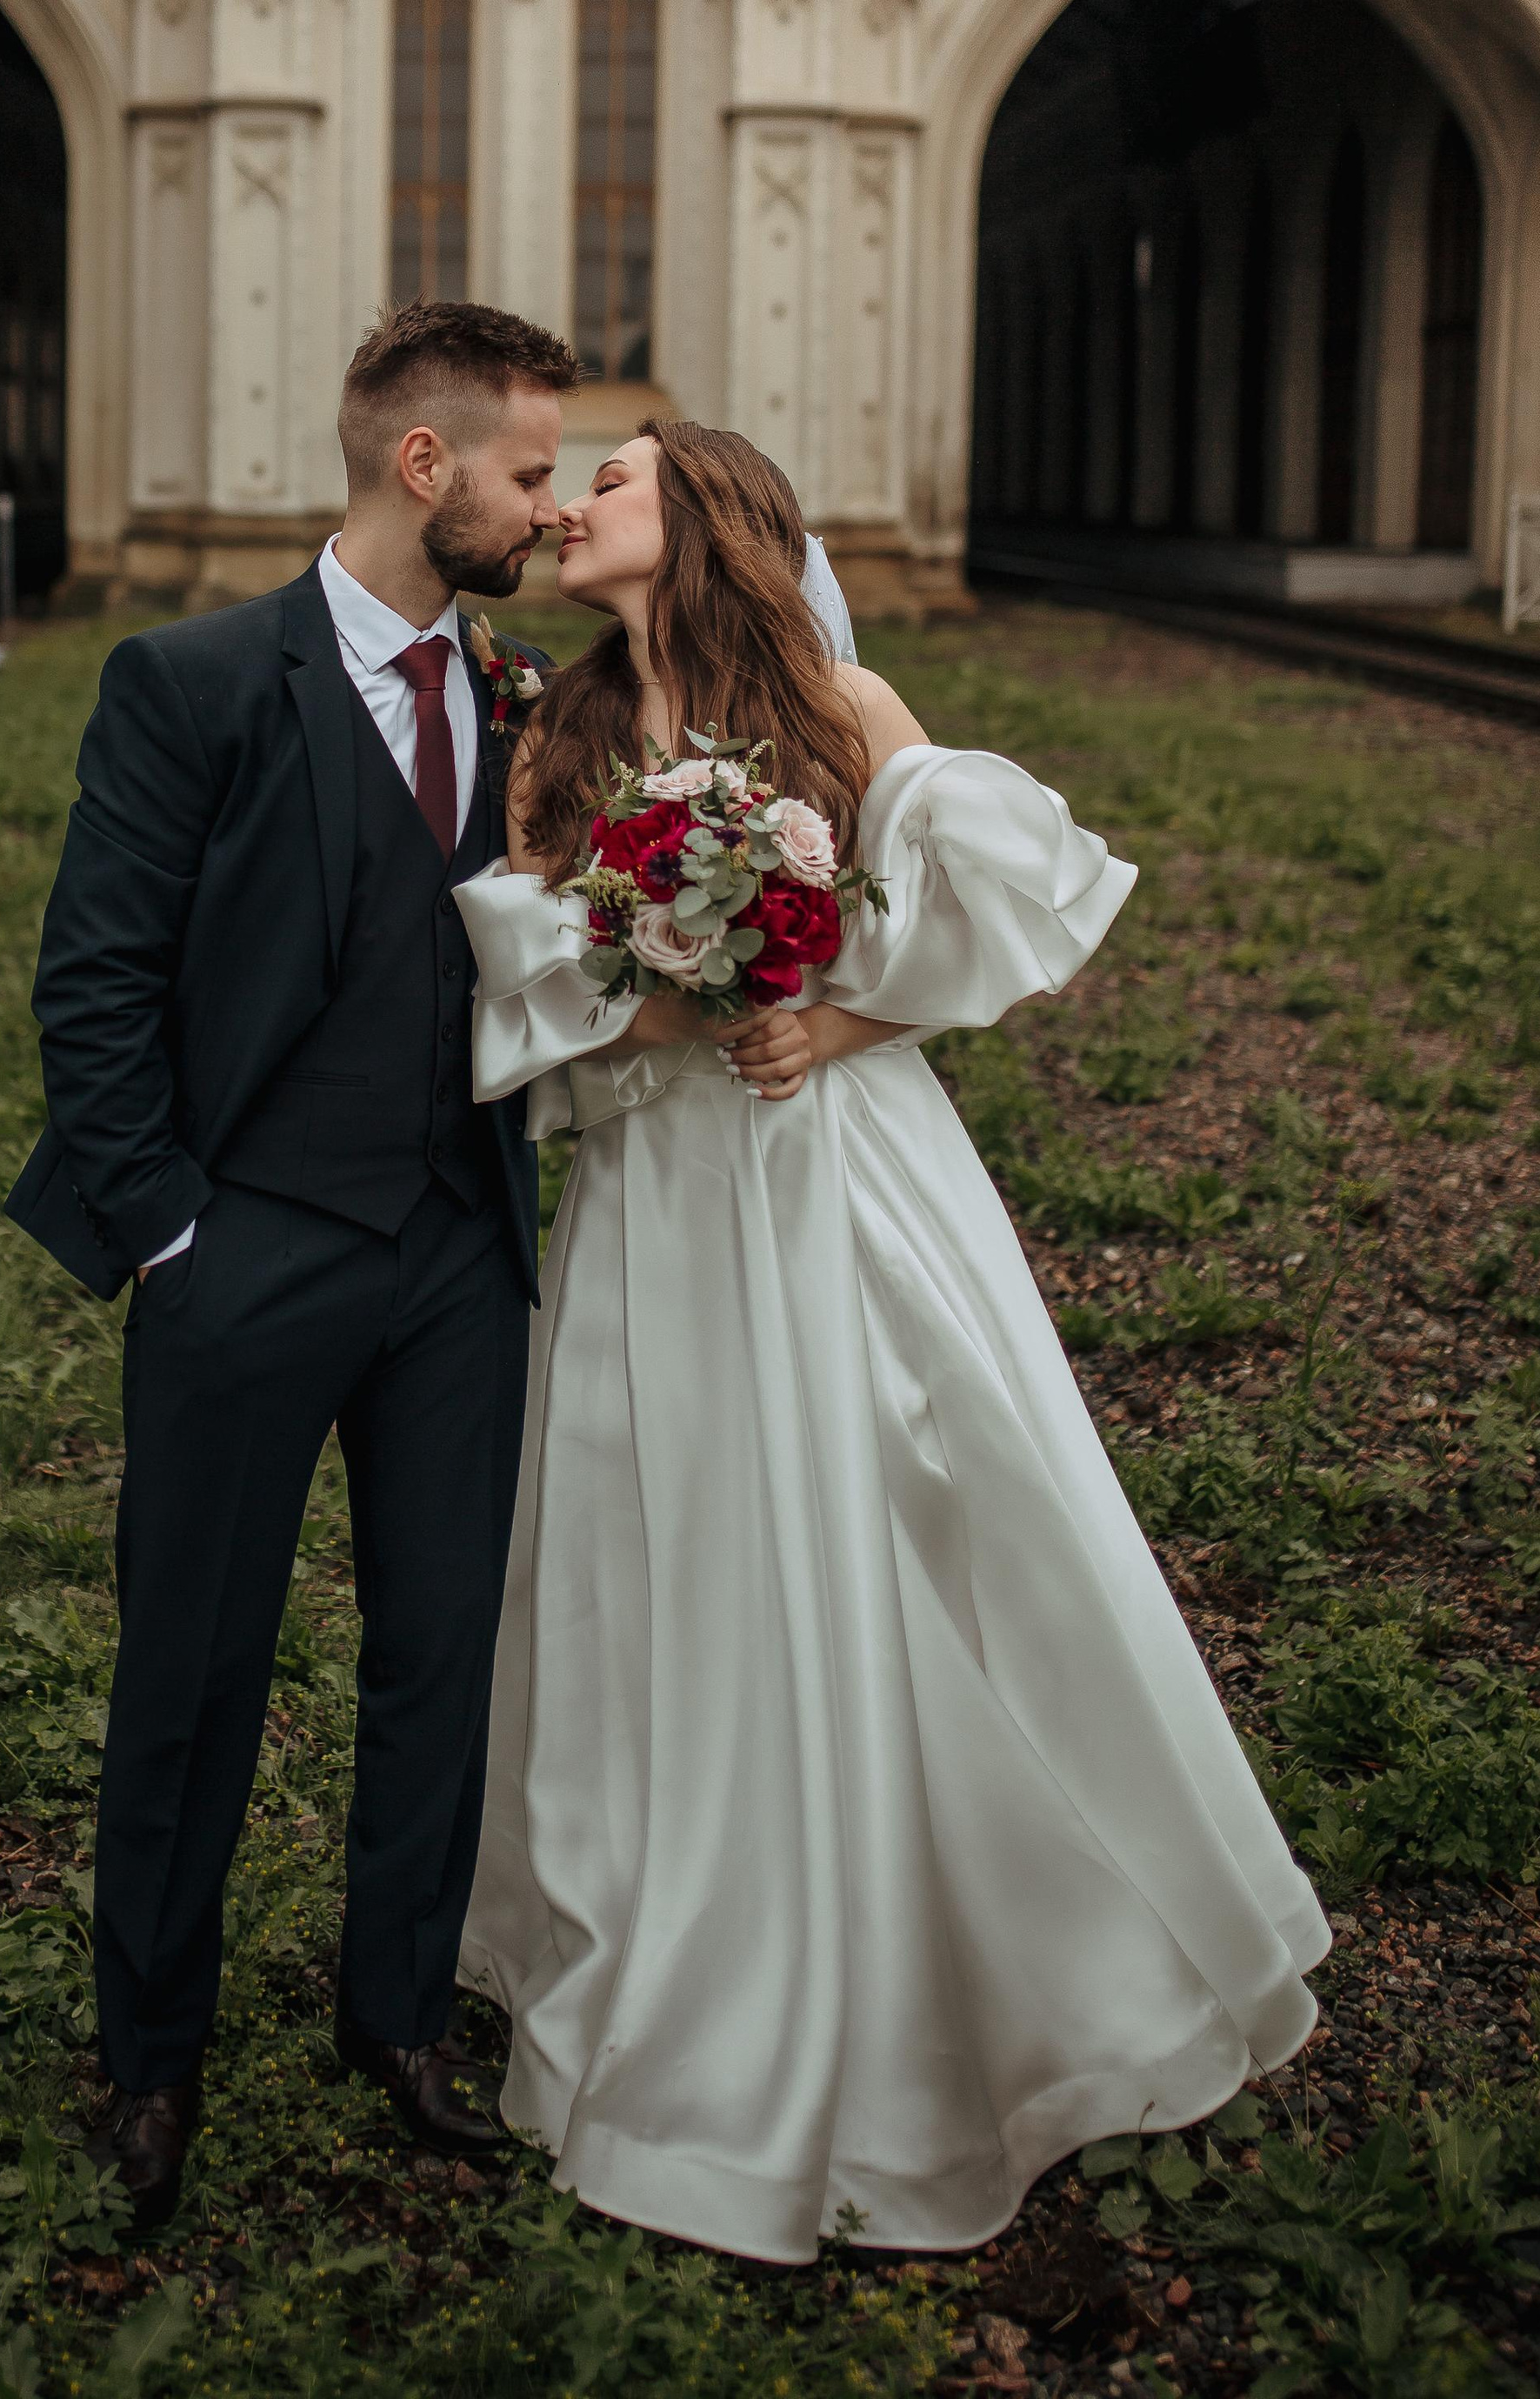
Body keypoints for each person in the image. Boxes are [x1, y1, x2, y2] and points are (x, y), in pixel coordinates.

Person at [453, 420, 1329, 2263]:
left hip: (836, 1171)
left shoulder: (833, 705)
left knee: (914, 1508)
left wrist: (828, 1023)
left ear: (702, 514)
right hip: (662, 1194)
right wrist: (671, 1007)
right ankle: (674, 1935)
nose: (574, 505)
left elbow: (981, 903)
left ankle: (1003, 1935)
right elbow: (528, 963)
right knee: (669, 1538)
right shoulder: (561, 732)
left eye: (612, 478)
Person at [6, 298, 579, 2228]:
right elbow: (94, 987)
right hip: (244, 1251)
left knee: (439, 1653)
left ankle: (394, 2012)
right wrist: (174, 1233)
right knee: (192, 1665)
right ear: (422, 465)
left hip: (455, 1256)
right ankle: (151, 2056)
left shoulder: (520, 696)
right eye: (527, 472)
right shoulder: (189, 683)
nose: (547, 507)